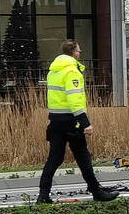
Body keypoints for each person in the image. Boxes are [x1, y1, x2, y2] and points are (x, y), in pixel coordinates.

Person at [37, 40, 120, 204]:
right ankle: (97, 192)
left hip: (55, 120)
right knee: (83, 156)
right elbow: (74, 100)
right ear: (73, 52)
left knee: (54, 159)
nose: (80, 53)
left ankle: (43, 194)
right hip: (71, 121)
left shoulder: (54, 71)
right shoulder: (71, 72)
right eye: (78, 51)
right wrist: (85, 122)